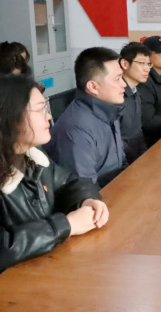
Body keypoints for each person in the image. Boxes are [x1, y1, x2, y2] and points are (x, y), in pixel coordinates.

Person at [0, 76, 109, 272]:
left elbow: (70, 182)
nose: (49, 116)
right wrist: (66, 225)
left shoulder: (33, 158)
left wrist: (86, 200)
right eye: (40, 109)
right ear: (11, 117)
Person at [44, 47, 128, 187]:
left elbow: (121, 162)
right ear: (93, 87)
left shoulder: (109, 111)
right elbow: (83, 189)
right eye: (117, 79)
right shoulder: (76, 129)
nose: (124, 84)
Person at [119, 42, 151, 164]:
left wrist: (145, 155)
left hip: (135, 160)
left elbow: (138, 132)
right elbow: (117, 140)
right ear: (125, 64)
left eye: (148, 64)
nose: (147, 69)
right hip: (122, 164)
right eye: (141, 63)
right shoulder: (116, 95)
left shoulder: (135, 93)